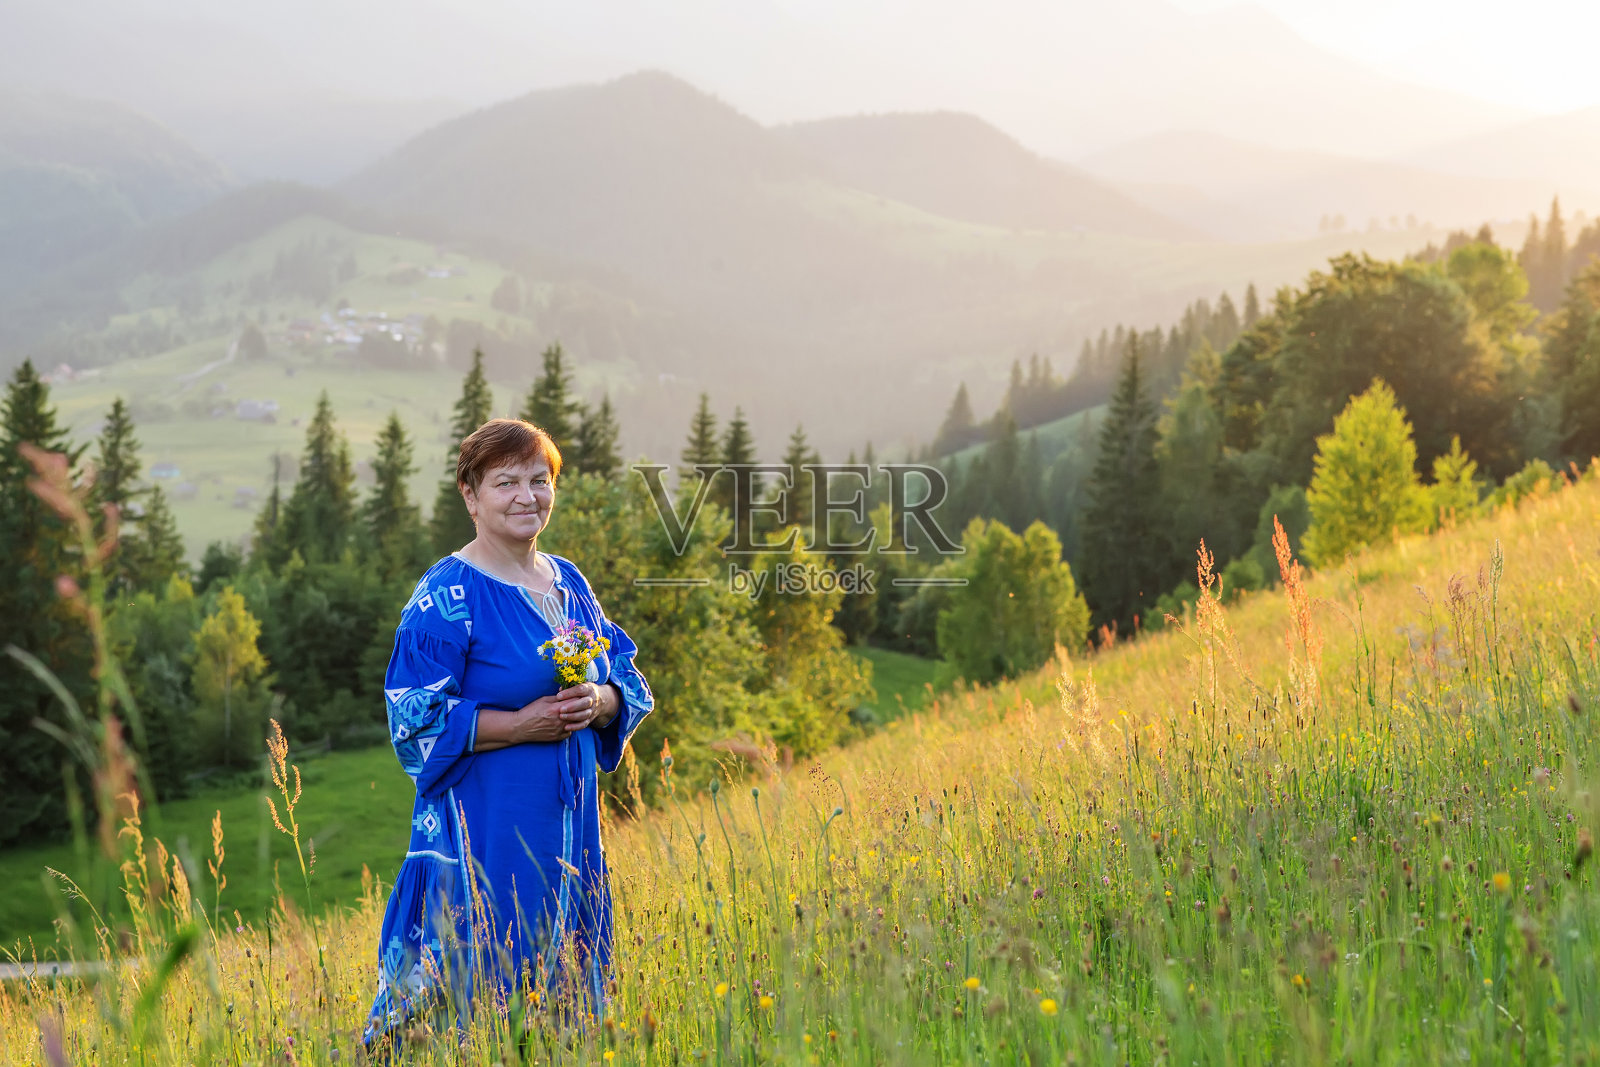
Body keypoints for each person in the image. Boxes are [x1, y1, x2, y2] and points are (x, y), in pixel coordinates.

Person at [363, 418, 653, 1048]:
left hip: (572, 830)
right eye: (507, 483)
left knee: (567, 997)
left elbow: (625, 677)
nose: (528, 496)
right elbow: (413, 720)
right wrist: (523, 725)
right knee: (482, 981)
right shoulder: (445, 596)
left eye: (540, 480)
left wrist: (601, 701)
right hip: (487, 830)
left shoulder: (569, 583)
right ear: (470, 496)